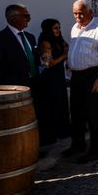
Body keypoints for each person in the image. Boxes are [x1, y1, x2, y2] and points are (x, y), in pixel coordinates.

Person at [64, 0, 98, 162]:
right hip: (77, 76)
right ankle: (77, 144)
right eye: (75, 13)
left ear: (90, 12)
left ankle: (97, 149)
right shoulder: (74, 28)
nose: (78, 17)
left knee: (94, 114)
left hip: (94, 75)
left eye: (81, 13)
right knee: (76, 112)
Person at [36, 18, 70, 146]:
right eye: (55, 28)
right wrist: (63, 56)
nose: (58, 30)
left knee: (61, 103)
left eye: (59, 28)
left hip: (59, 75)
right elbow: (47, 64)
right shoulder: (45, 43)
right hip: (49, 78)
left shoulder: (59, 41)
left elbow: (66, 49)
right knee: (51, 105)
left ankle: (62, 130)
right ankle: (51, 134)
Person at [0, 4, 38, 87]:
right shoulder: (1, 38)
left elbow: (32, 60)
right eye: (26, 16)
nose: (29, 19)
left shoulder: (30, 37)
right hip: (13, 88)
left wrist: (42, 59)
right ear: (13, 17)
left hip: (34, 85)